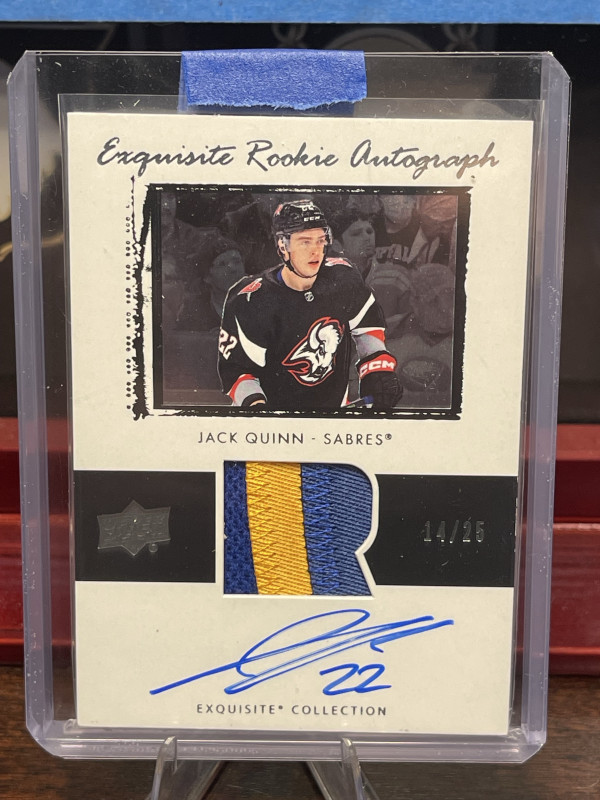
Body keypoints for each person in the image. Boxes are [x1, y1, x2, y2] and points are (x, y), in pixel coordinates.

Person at [218, 200, 401, 410]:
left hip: (334, 413)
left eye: (320, 241)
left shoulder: (343, 277)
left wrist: (377, 370)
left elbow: (367, 328)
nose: (315, 251)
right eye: (305, 242)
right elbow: (238, 373)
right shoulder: (250, 299)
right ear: (282, 245)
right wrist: (258, 409)